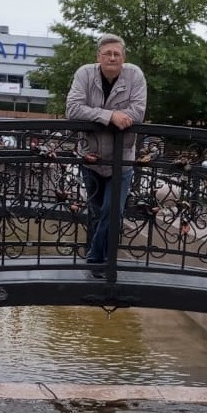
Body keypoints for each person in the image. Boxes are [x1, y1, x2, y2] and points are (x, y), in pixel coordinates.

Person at [66, 34, 147, 274]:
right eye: (107, 53)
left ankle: (95, 260)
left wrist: (96, 114)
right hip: (91, 157)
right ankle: (101, 262)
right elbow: (72, 109)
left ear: (123, 57)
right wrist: (110, 116)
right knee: (96, 212)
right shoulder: (85, 74)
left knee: (112, 212)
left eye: (117, 54)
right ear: (98, 56)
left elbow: (137, 112)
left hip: (121, 159)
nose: (112, 58)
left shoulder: (135, 75)